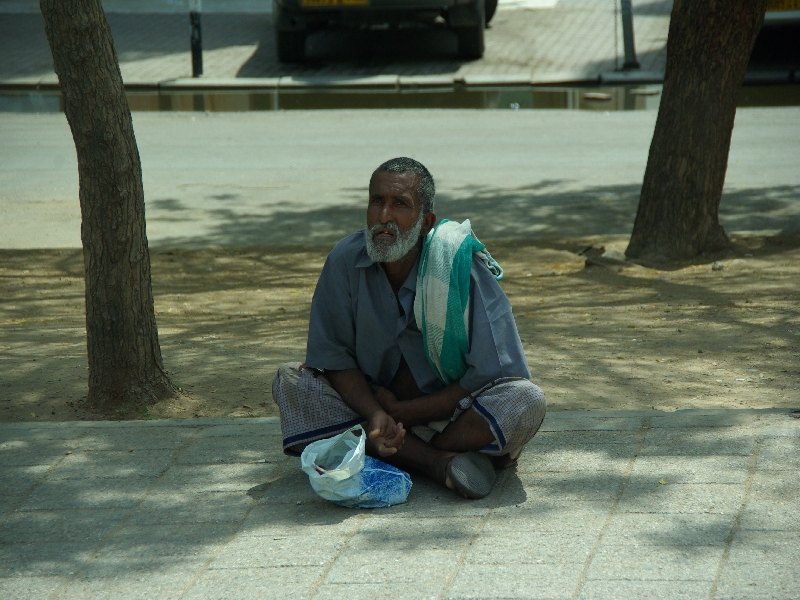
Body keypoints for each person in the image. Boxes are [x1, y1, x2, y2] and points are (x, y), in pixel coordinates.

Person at [273, 157, 546, 499]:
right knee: (291, 381)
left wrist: (404, 413)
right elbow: (334, 358)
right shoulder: (344, 260)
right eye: (377, 202)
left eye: (399, 204)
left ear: (425, 222)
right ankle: (438, 462)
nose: (383, 216)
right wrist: (376, 413)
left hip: (451, 417)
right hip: (368, 413)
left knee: (526, 399)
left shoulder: (458, 266)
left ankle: (400, 452)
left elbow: (493, 373)